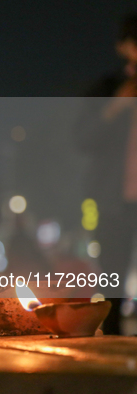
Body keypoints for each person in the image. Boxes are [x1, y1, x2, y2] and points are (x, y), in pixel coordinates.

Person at [73, 14, 137, 335]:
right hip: (114, 199)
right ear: (123, 47)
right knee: (112, 273)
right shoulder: (107, 89)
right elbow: (82, 139)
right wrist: (113, 109)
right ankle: (112, 344)